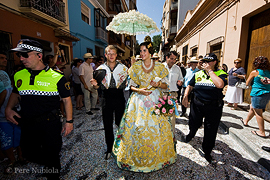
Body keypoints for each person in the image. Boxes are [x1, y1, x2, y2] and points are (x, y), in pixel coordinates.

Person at [5, 39, 73, 179]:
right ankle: (51, 166)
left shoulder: (57, 77)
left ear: (39, 55)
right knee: (28, 153)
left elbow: (66, 100)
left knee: (52, 153)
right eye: (19, 56)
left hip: (50, 124)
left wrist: (69, 121)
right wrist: (8, 109)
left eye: (25, 55)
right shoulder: (19, 75)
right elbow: (16, 94)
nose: (21, 58)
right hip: (27, 123)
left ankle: (52, 171)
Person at [112, 36, 176, 172]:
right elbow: (130, 86)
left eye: (144, 50)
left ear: (151, 53)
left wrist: (158, 84)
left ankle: (158, 158)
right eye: (140, 51)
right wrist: (139, 90)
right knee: (137, 128)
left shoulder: (159, 67)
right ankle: (135, 159)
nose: (142, 53)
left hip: (155, 100)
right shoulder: (135, 67)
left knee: (157, 129)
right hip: (138, 101)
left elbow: (166, 85)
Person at [182, 53, 227, 163]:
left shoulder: (221, 73)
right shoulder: (198, 73)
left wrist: (210, 71)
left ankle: (207, 151)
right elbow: (190, 85)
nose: (206, 64)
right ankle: (191, 134)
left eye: (209, 61)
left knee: (211, 130)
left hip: (214, 106)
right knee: (194, 122)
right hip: (197, 104)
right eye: (205, 61)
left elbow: (220, 85)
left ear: (215, 62)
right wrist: (186, 95)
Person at [90, 45, 128, 160]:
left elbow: (129, 82)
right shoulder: (100, 69)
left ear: (116, 55)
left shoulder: (123, 68)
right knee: (107, 124)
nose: (111, 56)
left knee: (120, 123)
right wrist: (95, 85)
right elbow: (96, 87)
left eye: (113, 53)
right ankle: (109, 147)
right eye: (109, 53)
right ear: (105, 55)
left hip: (119, 96)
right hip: (106, 97)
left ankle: (121, 146)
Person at [0, 51, 24, 173]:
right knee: (7, 139)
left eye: (5, 58)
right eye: (1, 58)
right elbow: (4, 93)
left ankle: (19, 158)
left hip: (13, 111)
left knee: (16, 136)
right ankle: (12, 160)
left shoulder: (4, 73)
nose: (5, 60)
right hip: (4, 114)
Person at [242, 56, 270, 138]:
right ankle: (246, 121)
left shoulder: (255, 72)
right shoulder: (269, 72)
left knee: (258, 113)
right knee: (252, 107)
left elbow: (247, 83)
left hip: (257, 93)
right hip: (267, 93)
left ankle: (262, 132)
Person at [163, 51, 184, 134]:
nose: (173, 61)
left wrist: (180, 82)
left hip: (173, 94)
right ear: (166, 58)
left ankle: (170, 133)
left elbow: (181, 78)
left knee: (172, 115)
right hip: (162, 93)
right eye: (171, 58)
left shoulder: (177, 68)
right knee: (161, 113)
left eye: (175, 59)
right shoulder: (161, 67)